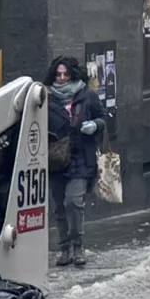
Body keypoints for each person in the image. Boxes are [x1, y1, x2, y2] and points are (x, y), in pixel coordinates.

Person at [46, 56, 106, 266]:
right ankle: (64, 248)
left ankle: (78, 246)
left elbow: (103, 117)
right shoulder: (46, 97)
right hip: (55, 159)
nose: (61, 78)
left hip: (81, 157)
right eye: (58, 74)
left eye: (66, 74)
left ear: (73, 74)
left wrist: (95, 125)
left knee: (74, 202)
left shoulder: (86, 95)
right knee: (60, 207)